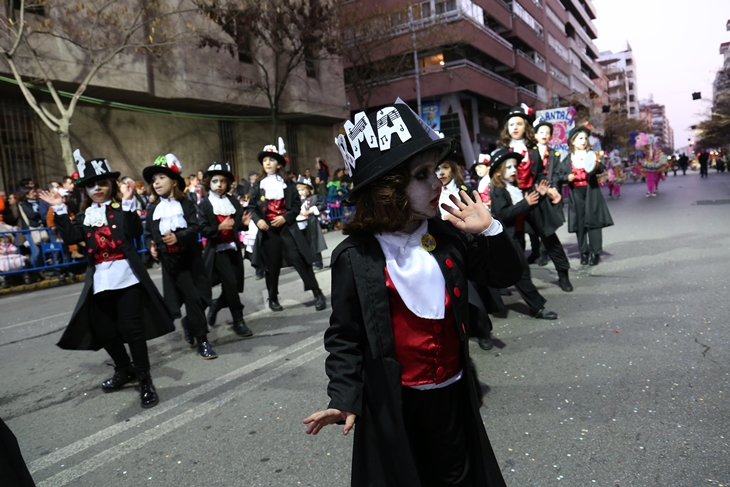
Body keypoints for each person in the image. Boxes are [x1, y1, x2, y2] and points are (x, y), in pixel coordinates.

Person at [303, 102, 522, 487]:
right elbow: (344, 336)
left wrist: (490, 231)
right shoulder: (356, 256)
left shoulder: (448, 236)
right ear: (388, 189)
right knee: (406, 476)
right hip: (396, 402)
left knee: (457, 473)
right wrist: (343, 396)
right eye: (422, 175)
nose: (438, 183)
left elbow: (503, 274)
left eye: (436, 171)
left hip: (452, 393)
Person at [37, 149, 174, 408]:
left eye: (102, 182)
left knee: (133, 331)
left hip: (127, 276)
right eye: (91, 185)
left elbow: (134, 231)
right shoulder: (85, 215)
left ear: (111, 184)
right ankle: (125, 370)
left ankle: (145, 379)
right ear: (85, 190)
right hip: (100, 280)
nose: (97, 188)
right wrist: (59, 209)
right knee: (105, 330)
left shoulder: (120, 209)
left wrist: (129, 202)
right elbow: (70, 237)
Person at [143, 154, 218, 359]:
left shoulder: (186, 203)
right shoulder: (152, 210)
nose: (156, 182)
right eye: (154, 179)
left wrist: (179, 237)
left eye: (161, 178)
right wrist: (152, 247)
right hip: (172, 263)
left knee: (204, 297)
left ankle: (189, 323)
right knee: (192, 299)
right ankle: (203, 340)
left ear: (174, 181)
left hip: (191, 258)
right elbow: (149, 234)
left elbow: (195, 228)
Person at [498, 104, 572, 292]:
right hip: (514, 201)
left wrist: (546, 189)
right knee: (512, 243)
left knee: (549, 238)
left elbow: (539, 174)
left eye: (519, 123)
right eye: (511, 124)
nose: (514, 127)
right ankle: (510, 281)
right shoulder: (502, 152)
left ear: (526, 127)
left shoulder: (533, 151)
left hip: (535, 198)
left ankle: (563, 274)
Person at [249, 145, 326, 312]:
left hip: (287, 229)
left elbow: (296, 206)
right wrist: (258, 221)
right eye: (264, 160)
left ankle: (317, 293)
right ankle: (273, 298)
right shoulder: (258, 184)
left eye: (271, 160)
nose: (267, 163)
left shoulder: (287, 183)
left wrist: (285, 217)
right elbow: (252, 207)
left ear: (278, 164)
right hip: (268, 230)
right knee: (272, 265)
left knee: (299, 259)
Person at [488, 147, 559, 320]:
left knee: (507, 272)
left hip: (517, 236)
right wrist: (525, 203)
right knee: (521, 273)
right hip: (507, 238)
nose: (514, 170)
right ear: (498, 173)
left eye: (515, 167)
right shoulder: (498, 191)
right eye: (509, 167)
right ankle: (537, 307)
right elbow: (503, 214)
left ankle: (489, 302)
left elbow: (526, 206)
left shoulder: (512, 188)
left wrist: (539, 195)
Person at [198, 162, 253, 337]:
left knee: (234, 285)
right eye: (215, 181)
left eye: (222, 181)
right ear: (209, 183)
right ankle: (238, 321)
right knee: (230, 284)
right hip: (216, 251)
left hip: (232, 249)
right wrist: (219, 228)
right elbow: (203, 229)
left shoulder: (233, 202)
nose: (219, 185)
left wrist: (243, 226)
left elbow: (236, 225)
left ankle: (216, 305)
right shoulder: (205, 205)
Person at [555, 126, 614, 266]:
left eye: (585, 138)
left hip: (591, 191)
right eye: (580, 138)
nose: (584, 141)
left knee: (594, 222)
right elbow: (558, 175)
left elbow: (601, 168)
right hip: (576, 193)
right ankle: (584, 252)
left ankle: (595, 253)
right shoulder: (568, 159)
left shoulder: (591, 155)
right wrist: (567, 178)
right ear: (573, 141)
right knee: (580, 224)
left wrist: (596, 162)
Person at [533, 118, 565, 267]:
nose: (544, 135)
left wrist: (553, 188)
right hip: (535, 192)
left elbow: (557, 173)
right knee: (535, 225)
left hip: (550, 192)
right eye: (541, 132)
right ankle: (537, 251)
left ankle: (544, 253)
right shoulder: (530, 152)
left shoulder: (554, 154)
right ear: (534, 134)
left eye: (547, 132)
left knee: (548, 225)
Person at [295, 176, 327, 271]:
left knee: (314, 243)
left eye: (302, 190)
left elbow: (322, 205)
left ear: (308, 189)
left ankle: (318, 263)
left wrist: (311, 210)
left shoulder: (313, 198)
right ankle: (307, 262)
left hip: (311, 224)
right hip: (300, 223)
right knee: (303, 243)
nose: (300, 192)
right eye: (299, 190)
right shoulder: (297, 199)